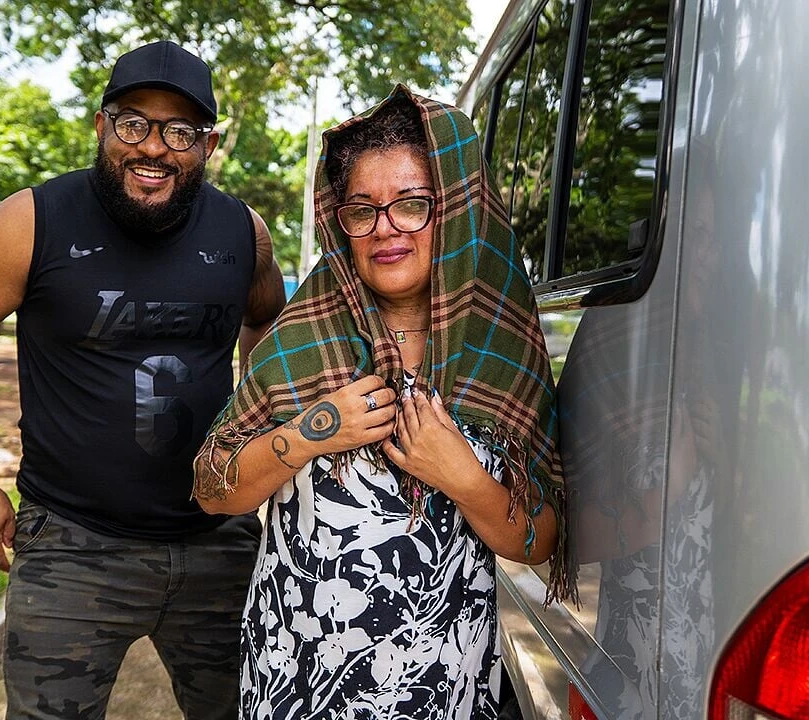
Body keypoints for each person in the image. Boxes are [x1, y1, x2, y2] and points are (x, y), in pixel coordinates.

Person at [0, 40, 285, 720]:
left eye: (179, 131)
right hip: (73, 548)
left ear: (207, 144)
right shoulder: (32, 221)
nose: (153, 148)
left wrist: (255, 433)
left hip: (218, 541)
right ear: (102, 125)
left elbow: (268, 325)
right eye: (133, 123)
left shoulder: (242, 232)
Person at [193, 87, 575, 719]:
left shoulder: (501, 354)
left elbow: (538, 542)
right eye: (362, 210)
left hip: (445, 689)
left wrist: (462, 475)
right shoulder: (303, 338)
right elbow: (212, 490)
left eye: (412, 204)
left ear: (457, 212)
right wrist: (314, 431)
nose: (385, 228)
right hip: (297, 685)